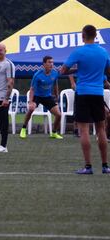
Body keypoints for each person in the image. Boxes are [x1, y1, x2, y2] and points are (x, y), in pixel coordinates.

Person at [61, 24, 110, 174]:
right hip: (97, 93)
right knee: (101, 129)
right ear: (96, 36)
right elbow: (107, 71)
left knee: (84, 130)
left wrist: (77, 69)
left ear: (83, 35)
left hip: (82, 93)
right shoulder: (104, 52)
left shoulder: (79, 52)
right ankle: (105, 166)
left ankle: (88, 166)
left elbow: (63, 70)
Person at [19, 56, 63, 139]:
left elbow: (55, 84)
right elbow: (32, 89)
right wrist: (30, 102)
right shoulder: (37, 75)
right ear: (44, 64)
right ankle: (23, 129)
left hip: (47, 97)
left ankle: (54, 133)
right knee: (31, 109)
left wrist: (57, 95)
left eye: (52, 62)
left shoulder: (55, 73)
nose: (51, 64)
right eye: (49, 62)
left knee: (59, 115)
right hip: (37, 96)